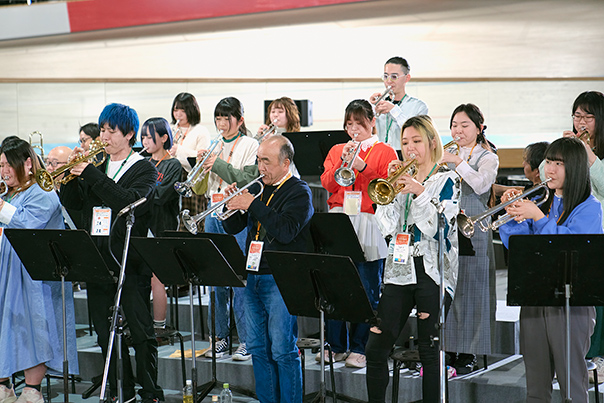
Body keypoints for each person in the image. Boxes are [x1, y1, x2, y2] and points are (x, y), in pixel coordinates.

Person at [60, 103, 163, 403]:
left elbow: (128, 201)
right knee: (105, 335)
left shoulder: (144, 168)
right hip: (98, 260)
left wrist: (91, 174)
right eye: (102, 130)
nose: (104, 136)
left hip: (130, 261)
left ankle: (151, 392)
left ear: (129, 134)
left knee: (141, 333)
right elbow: (75, 205)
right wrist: (70, 178)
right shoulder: (98, 165)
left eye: (111, 131)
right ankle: (123, 390)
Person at [366, 115, 461, 402]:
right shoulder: (401, 181)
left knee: (429, 351)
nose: (410, 148)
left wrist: (419, 192)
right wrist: (391, 193)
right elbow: (386, 227)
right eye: (405, 142)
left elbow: (437, 228)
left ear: (432, 142)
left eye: (416, 141)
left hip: (432, 270)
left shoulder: (448, 180)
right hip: (400, 267)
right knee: (375, 347)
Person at [499, 137, 602, 403]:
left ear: (575, 167)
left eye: (559, 164)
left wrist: (537, 217)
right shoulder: (541, 199)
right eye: (548, 162)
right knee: (535, 385)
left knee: (572, 387)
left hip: (572, 304)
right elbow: (517, 245)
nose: (550, 169)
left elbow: (570, 246)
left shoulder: (590, 208)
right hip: (534, 298)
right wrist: (512, 214)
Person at [221, 134, 313, 403]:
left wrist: (252, 204)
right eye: (258, 160)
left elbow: (285, 231)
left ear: (285, 163)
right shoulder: (259, 188)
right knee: (258, 349)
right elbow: (233, 228)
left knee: (283, 350)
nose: (261, 167)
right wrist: (231, 205)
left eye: (267, 162)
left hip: (280, 278)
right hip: (253, 275)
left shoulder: (299, 191)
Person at [320, 99, 397, 368]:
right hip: (339, 218)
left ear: (372, 122)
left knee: (367, 286)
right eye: (349, 124)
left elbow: (388, 187)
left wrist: (363, 166)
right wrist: (342, 161)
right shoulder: (337, 149)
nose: (353, 129)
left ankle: (360, 346)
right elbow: (327, 183)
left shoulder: (385, 151)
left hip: (369, 219)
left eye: (359, 124)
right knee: (334, 284)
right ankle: (335, 345)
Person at [0, 138, 78, 403]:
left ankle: (31, 389)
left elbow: (28, 225)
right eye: (0, 165)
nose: (4, 171)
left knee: (35, 328)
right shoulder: (8, 193)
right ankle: (4, 385)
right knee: (7, 324)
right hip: (7, 270)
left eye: (9, 165)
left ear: (28, 163)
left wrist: (2, 208)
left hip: (34, 276)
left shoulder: (43, 192)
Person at [198, 97, 258, 361]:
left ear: (240, 120)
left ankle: (246, 340)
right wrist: (200, 168)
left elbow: (249, 179)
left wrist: (217, 164)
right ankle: (219, 338)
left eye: (227, 118)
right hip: (212, 212)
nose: (221, 123)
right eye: (218, 118)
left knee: (239, 280)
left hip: (236, 214)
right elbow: (199, 188)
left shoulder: (250, 144)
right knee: (215, 281)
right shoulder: (214, 144)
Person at [441, 103, 499, 374]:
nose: (458, 130)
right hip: (447, 225)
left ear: (479, 128)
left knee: (474, 290)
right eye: (454, 125)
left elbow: (481, 184)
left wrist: (457, 163)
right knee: (450, 287)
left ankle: (470, 351)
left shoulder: (488, 157)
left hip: (474, 225)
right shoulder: (447, 154)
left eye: (465, 125)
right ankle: (449, 347)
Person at [562, 91, 604, 382]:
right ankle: (582, 355)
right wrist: (564, 154)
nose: (581, 122)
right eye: (577, 116)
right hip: (578, 231)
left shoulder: (591, 152)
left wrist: (587, 153)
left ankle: (599, 357)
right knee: (582, 298)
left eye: (588, 116)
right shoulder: (574, 147)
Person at [140, 117, 181, 331]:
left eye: (150, 137)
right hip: (142, 225)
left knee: (157, 278)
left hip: (161, 226)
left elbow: (162, 195)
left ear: (164, 138)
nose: (145, 142)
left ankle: (159, 327)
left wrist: (139, 192)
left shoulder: (173, 165)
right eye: (143, 137)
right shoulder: (143, 163)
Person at [370, 56, 428, 157]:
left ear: (407, 78)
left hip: (406, 156)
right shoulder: (379, 104)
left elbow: (415, 133)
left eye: (394, 77)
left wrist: (394, 110)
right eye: (385, 76)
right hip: (379, 155)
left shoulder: (419, 106)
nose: (388, 81)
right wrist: (371, 109)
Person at [169, 92, 211, 231]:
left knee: (192, 220)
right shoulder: (171, 129)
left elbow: (202, 158)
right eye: (176, 110)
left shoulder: (201, 131)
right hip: (172, 179)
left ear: (192, 110)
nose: (178, 114)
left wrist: (179, 150)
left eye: (183, 110)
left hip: (192, 181)